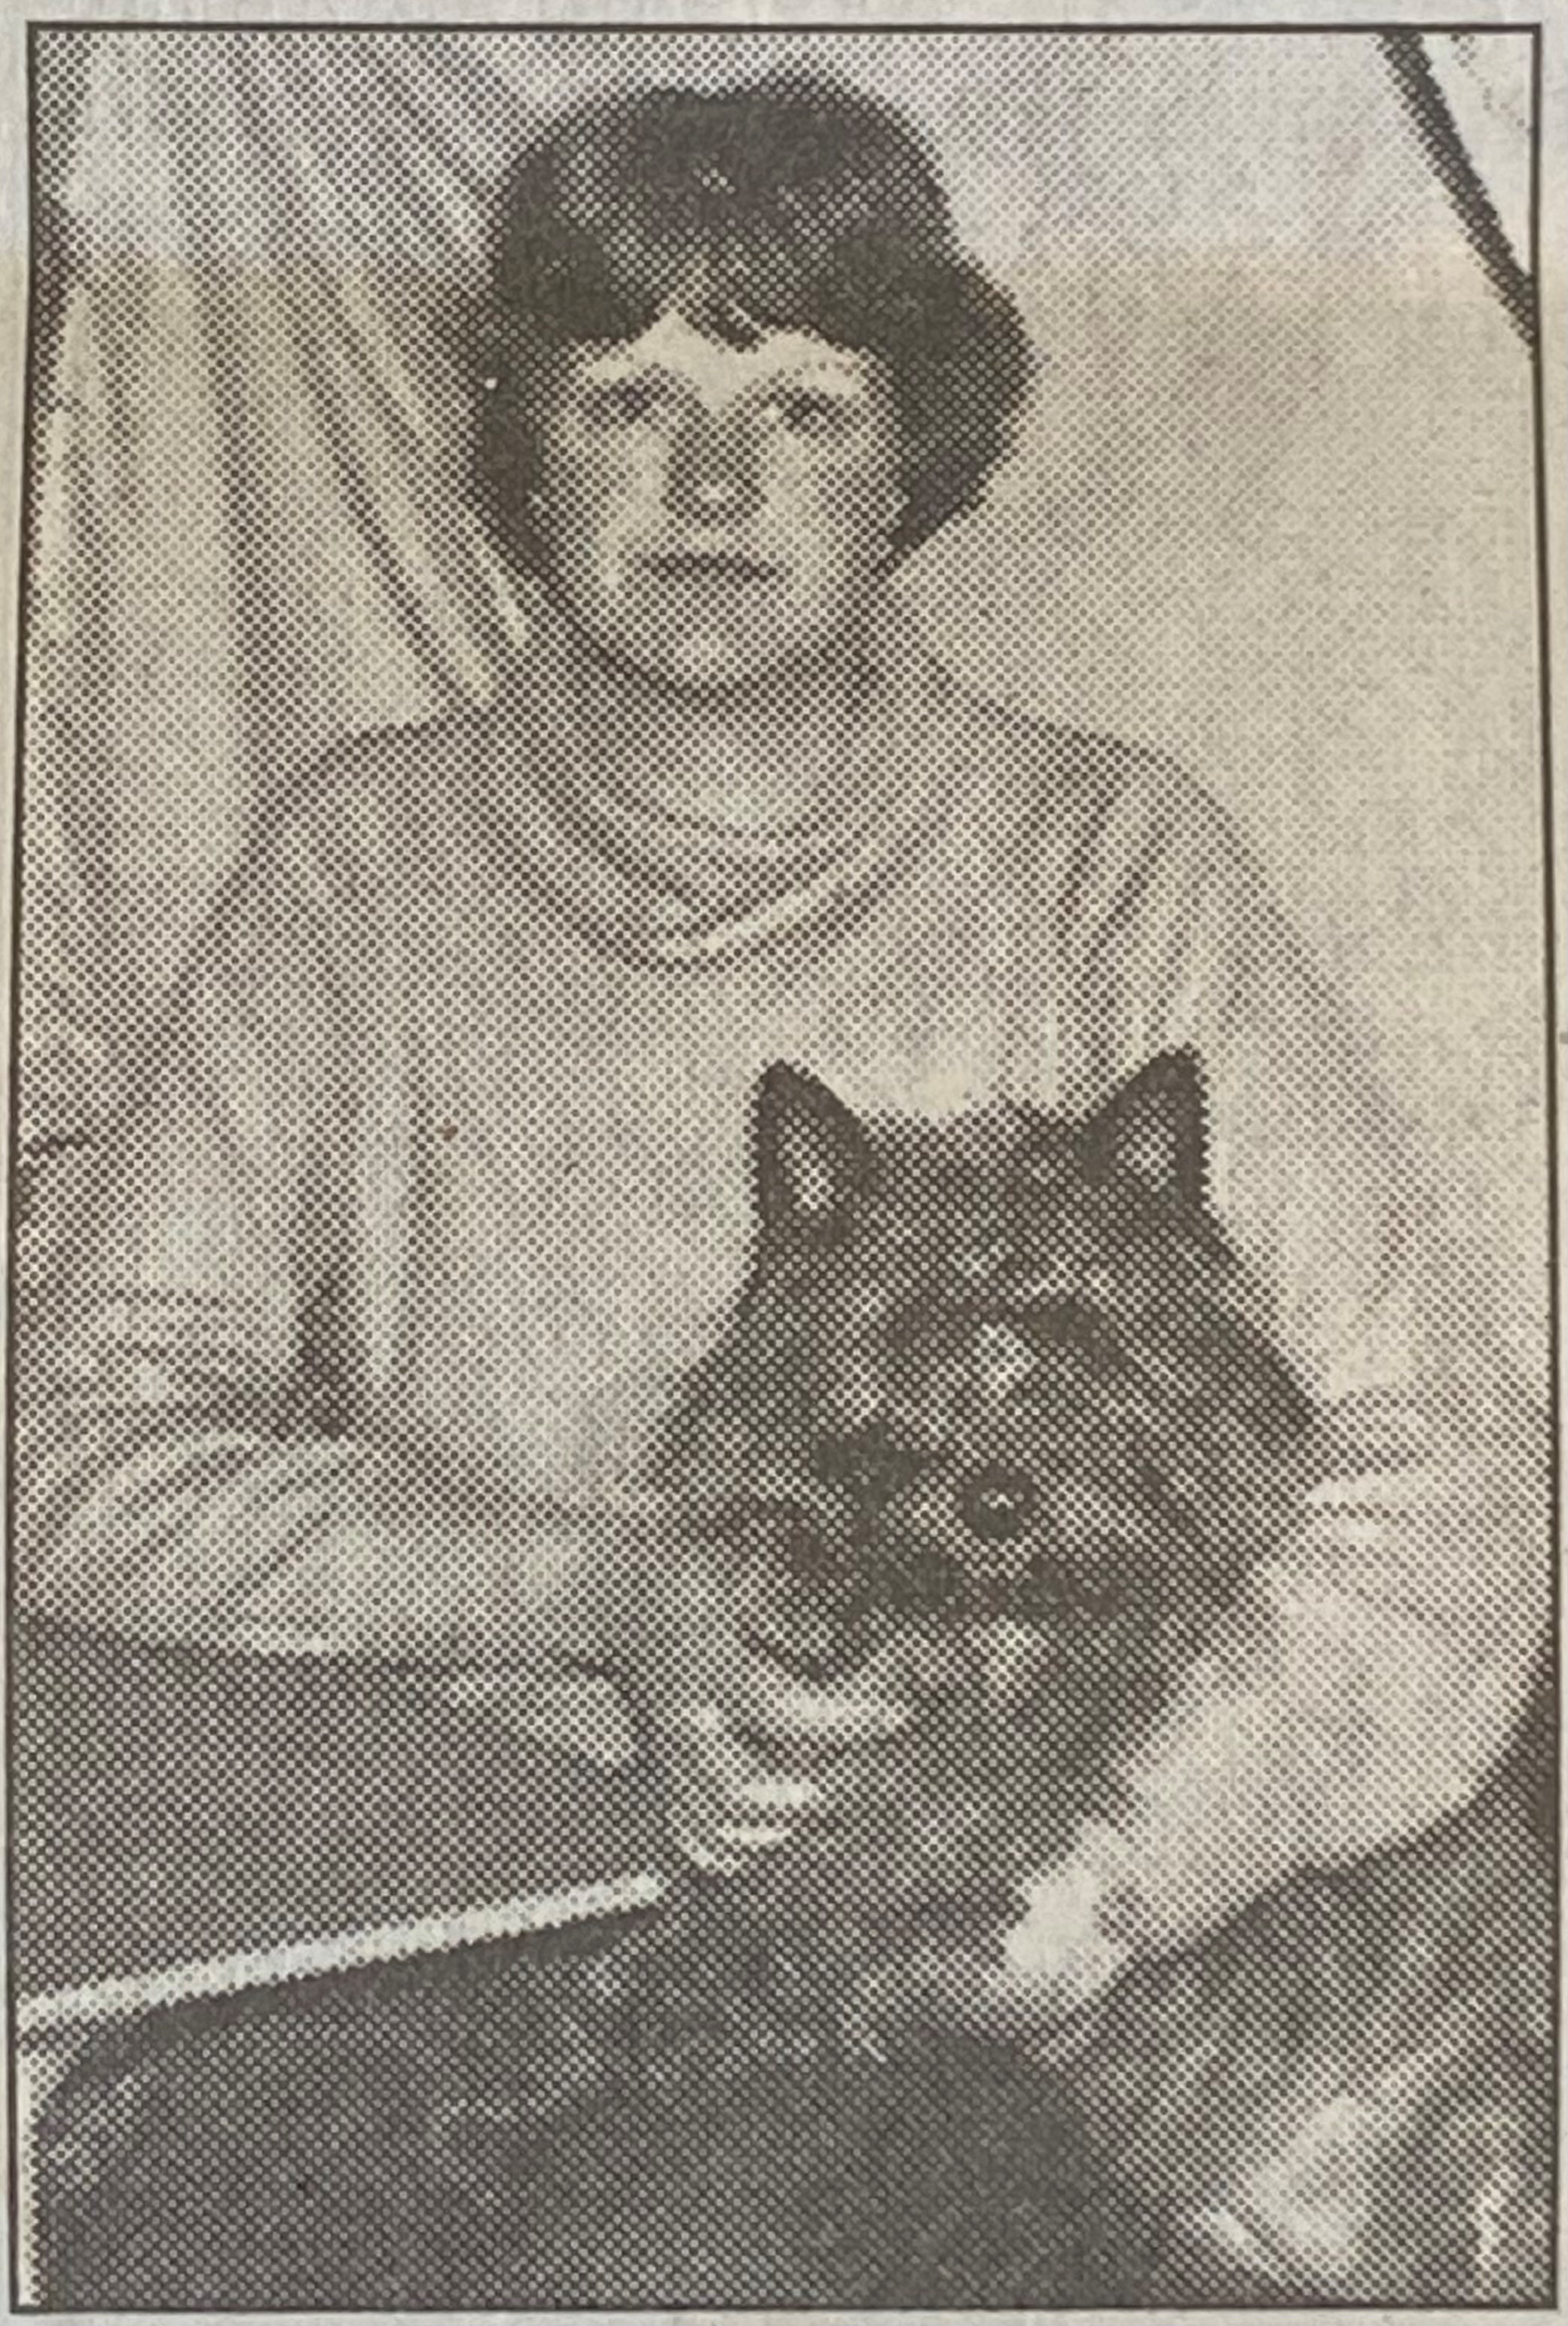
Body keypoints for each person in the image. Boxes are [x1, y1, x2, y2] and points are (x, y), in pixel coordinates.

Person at [17, 72, 1545, 2040]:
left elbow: (1441, 1483)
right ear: (525, 456)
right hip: (495, 1912)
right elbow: (65, 1459)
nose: (713, 491)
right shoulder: (358, 864)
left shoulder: (1107, 857)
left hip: (1038, 1921)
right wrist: (587, 1594)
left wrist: (1099, 1874)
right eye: (629, 402)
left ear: (907, 459)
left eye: (801, 410)